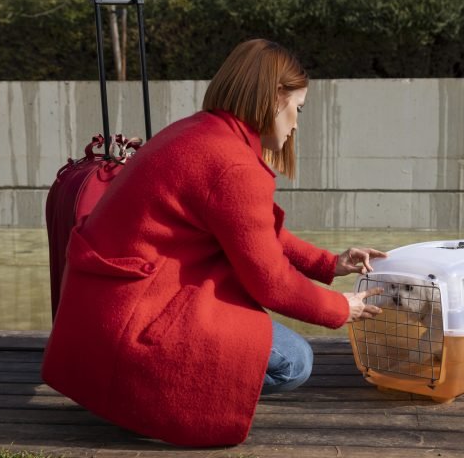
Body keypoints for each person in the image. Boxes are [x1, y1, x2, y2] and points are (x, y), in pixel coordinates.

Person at [41, 39, 386, 447]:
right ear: (275, 99)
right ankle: (149, 397)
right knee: (294, 362)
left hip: (102, 318)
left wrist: (328, 264)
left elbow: (256, 232)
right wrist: (339, 307)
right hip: (131, 328)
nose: (296, 124)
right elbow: (271, 283)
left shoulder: (195, 131)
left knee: (252, 318)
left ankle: (127, 390)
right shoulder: (234, 164)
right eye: (298, 109)